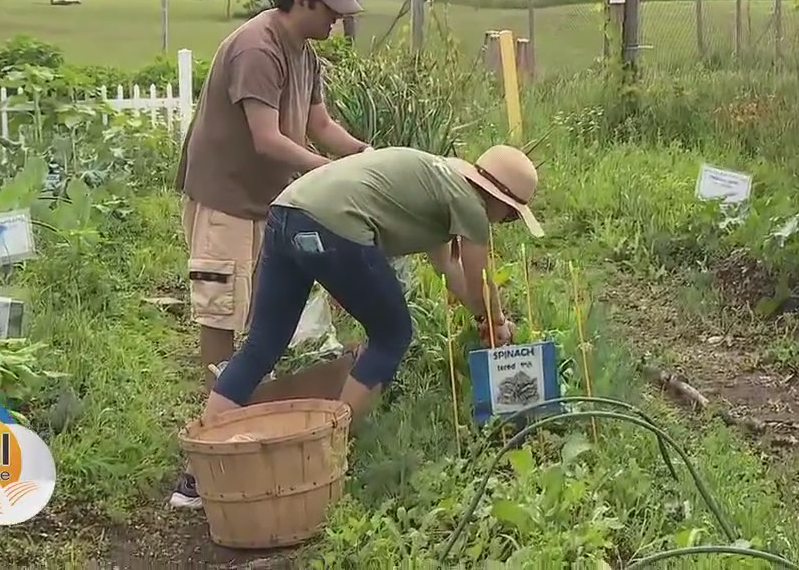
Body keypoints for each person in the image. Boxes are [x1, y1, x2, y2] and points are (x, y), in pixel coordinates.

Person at [169, 144, 544, 504]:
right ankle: (327, 456)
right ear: (498, 200)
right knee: (392, 334)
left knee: (262, 345)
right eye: (510, 215)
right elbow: (479, 279)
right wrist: (498, 322)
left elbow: (449, 268)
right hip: (331, 224)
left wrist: (483, 317)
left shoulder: (440, 182)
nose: (505, 221)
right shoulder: (470, 205)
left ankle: (195, 477)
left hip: (287, 213)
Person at [174, 0, 372, 398]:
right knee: (221, 310)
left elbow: (320, 125)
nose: (337, 20)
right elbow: (267, 139)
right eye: (330, 9)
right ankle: (220, 410)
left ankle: (248, 397)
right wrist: (331, 173)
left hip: (266, 199)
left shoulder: (305, 54)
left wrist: (363, 155)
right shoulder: (258, 49)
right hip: (226, 198)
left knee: (259, 307)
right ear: (301, 1)